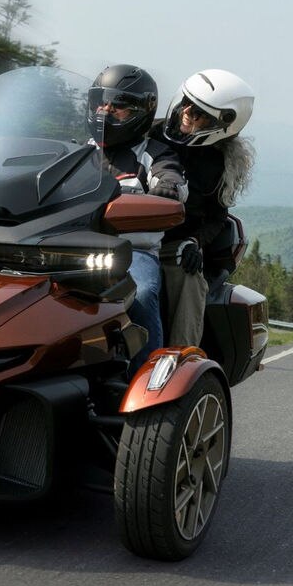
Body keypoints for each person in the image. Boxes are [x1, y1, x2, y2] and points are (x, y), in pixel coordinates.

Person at [87, 64, 187, 372]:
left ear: (141, 112)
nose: (106, 111)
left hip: (133, 253)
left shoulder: (155, 154)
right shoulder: (80, 151)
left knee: (142, 293)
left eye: (118, 105)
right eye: (101, 102)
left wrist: (168, 187)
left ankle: (149, 380)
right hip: (76, 247)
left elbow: (174, 181)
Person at [153, 69, 256, 347]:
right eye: (188, 103)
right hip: (121, 233)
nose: (188, 112)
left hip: (171, 245)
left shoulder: (220, 163)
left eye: (201, 113)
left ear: (223, 125)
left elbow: (217, 217)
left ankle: (179, 361)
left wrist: (194, 242)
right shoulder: (150, 133)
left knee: (188, 280)